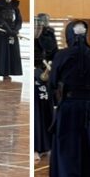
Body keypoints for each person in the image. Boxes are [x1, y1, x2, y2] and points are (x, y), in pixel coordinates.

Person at [48, 20, 90, 177]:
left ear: (69, 35)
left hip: (70, 105)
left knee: (67, 143)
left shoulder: (62, 55)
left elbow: (53, 82)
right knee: (86, 143)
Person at [34, 14, 57, 162]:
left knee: (47, 111)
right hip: (36, 79)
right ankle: (35, 147)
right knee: (36, 115)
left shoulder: (44, 39)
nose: (38, 29)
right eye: (36, 27)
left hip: (44, 78)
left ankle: (46, 145)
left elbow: (53, 51)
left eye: (40, 27)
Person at [0, 0, 23, 79]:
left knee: (11, 53)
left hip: (13, 33)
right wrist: (9, 30)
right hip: (2, 33)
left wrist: (15, 30)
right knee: (1, 54)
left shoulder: (15, 7)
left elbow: (19, 20)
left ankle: (7, 73)